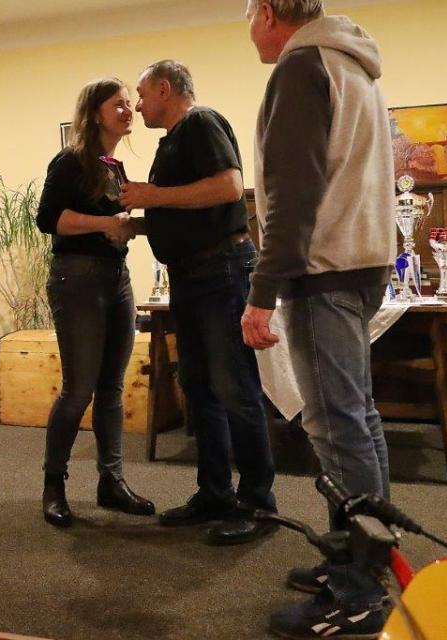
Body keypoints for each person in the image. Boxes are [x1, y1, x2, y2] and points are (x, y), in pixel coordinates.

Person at [239, 0, 396, 638]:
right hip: (362, 262)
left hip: (324, 269)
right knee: (357, 419)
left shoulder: (301, 68)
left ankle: (359, 592)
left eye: (250, 18)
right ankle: (359, 557)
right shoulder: (353, 66)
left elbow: (294, 194)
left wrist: (261, 293)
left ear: (269, 11)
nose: (250, 31)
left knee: (336, 427)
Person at [120, 60, 276, 546]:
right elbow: (185, 210)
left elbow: (228, 188)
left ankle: (258, 503)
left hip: (220, 271)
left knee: (234, 388)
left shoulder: (201, 122)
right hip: (192, 276)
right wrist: (136, 224)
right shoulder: (173, 141)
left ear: (165, 89)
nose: (138, 105)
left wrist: (151, 196)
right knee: (200, 388)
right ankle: (215, 492)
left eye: (142, 94)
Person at [34, 77, 156, 528]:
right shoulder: (71, 161)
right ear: (95, 113)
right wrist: (106, 224)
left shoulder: (114, 166)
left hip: (115, 277)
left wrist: (135, 225)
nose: (128, 110)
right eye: (118, 104)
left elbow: (114, 224)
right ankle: (54, 485)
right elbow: (49, 219)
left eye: (129, 103)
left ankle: (112, 482)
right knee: (78, 390)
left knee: (111, 389)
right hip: (77, 279)